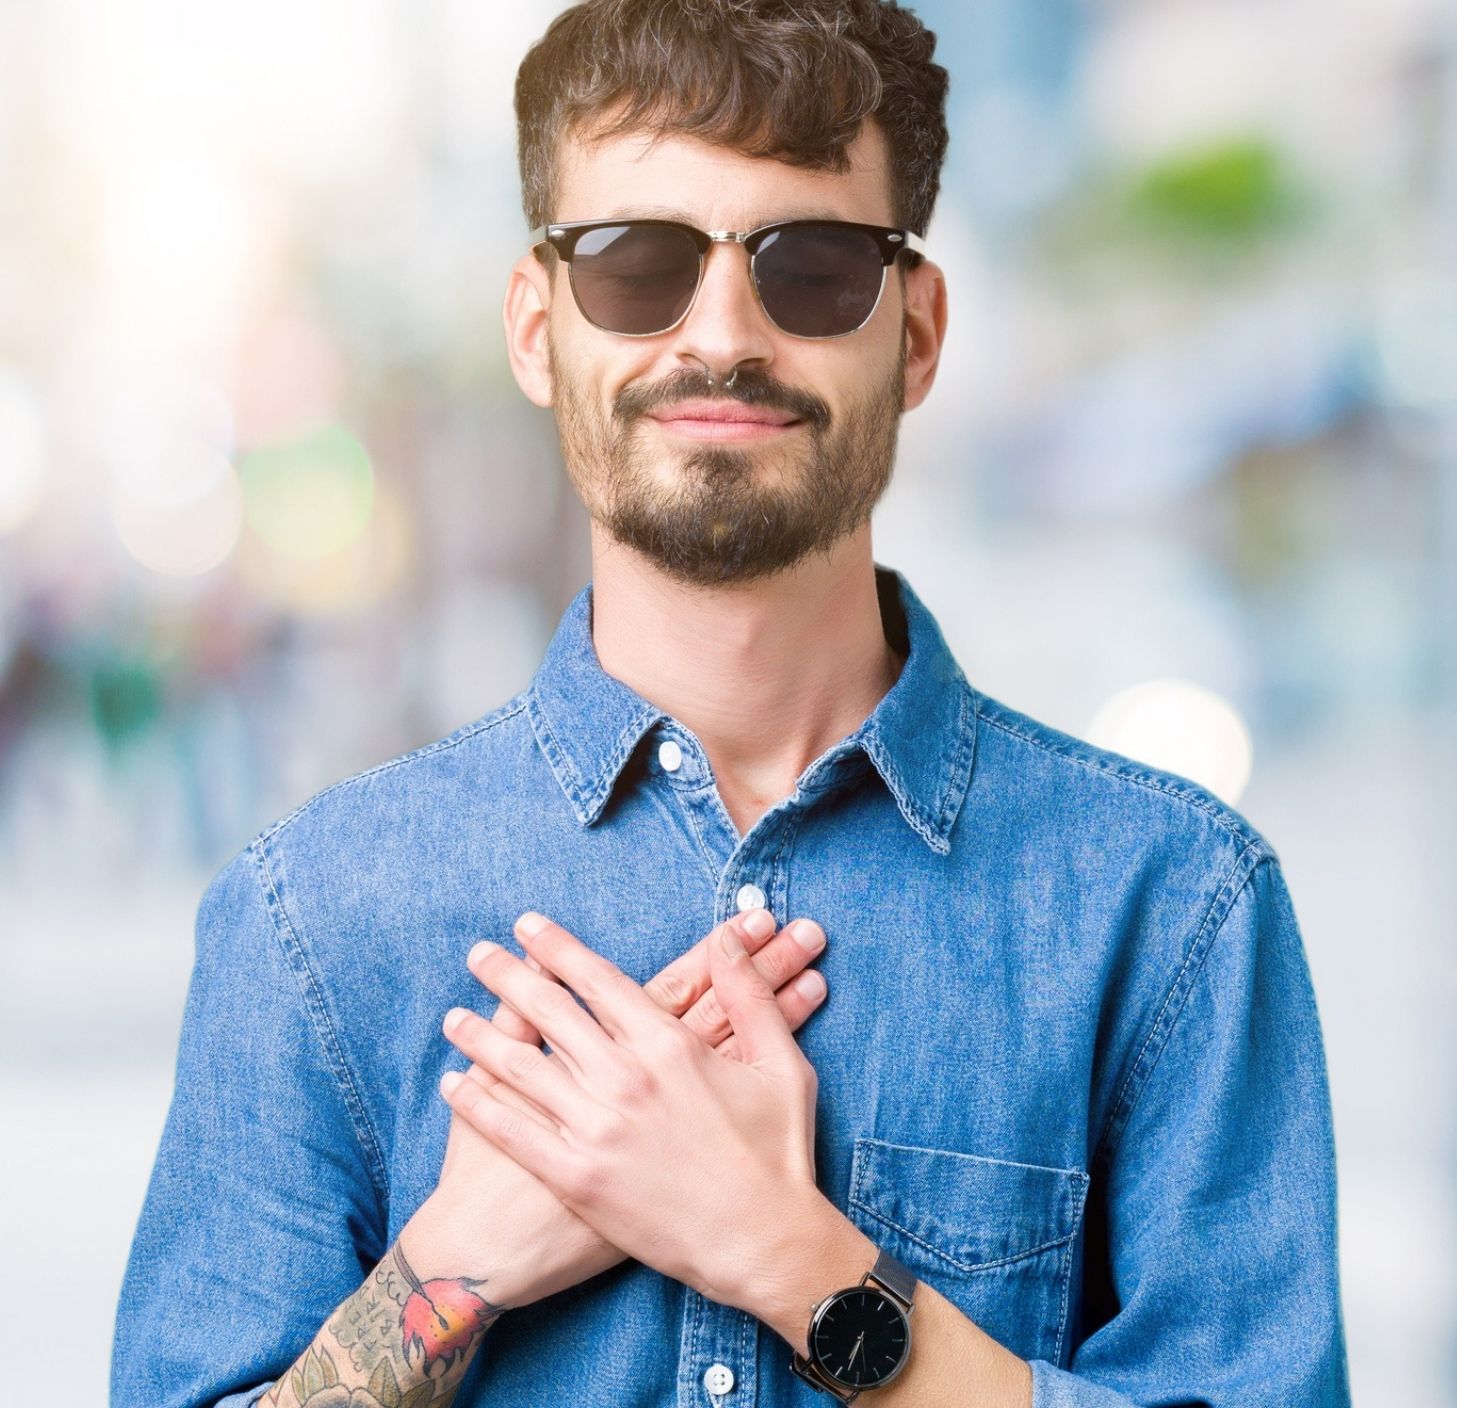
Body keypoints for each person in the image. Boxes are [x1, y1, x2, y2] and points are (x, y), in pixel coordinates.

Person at [109, 2, 1350, 1405]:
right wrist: (450, 1266)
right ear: (536, 329)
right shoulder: (312, 915)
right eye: (635, 264)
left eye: (811, 267)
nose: (722, 332)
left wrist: (790, 1258)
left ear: (918, 331)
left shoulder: (1171, 904)